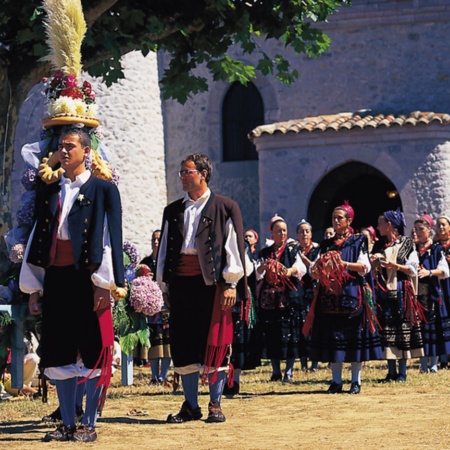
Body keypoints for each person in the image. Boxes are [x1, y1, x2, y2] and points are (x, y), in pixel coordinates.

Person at [20, 126, 125, 442]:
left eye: (70, 146)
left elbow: (111, 238)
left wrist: (105, 283)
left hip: (89, 279)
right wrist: (34, 287)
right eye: (61, 147)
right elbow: (37, 239)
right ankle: (67, 423)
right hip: (57, 278)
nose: (64, 152)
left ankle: (88, 426)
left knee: (91, 350)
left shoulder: (103, 190)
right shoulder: (49, 191)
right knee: (59, 351)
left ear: (85, 151)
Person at [156, 153, 247, 423]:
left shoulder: (225, 207)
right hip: (181, 285)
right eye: (181, 173)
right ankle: (190, 405)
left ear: (203, 174)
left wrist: (231, 283)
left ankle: (215, 403)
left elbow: (234, 248)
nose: (183, 177)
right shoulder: (172, 211)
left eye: (187, 172)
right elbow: (164, 252)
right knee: (183, 343)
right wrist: (163, 286)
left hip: (213, 286)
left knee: (215, 341)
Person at [306, 202, 382, 394]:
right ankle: (336, 381)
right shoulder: (325, 245)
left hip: (351, 295)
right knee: (334, 340)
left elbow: (364, 267)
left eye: (340, 217)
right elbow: (313, 270)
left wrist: (342, 263)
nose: (336, 220)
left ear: (349, 221)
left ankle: (355, 381)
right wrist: (316, 269)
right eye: (334, 217)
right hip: (329, 298)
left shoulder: (358, 241)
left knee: (353, 340)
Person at [372, 208, 423, 383]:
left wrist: (395, 265)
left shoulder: (407, 243)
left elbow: (413, 268)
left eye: (380, 224)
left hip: (401, 290)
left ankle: (402, 372)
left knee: (402, 330)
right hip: (384, 292)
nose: (378, 227)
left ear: (389, 225)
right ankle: (391, 371)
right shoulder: (379, 245)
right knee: (387, 331)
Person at [256, 214, 307, 382]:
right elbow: (256, 274)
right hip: (270, 302)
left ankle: (289, 372)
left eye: (284, 230)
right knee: (272, 335)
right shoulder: (265, 253)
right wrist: (264, 267)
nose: (283, 234)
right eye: (279, 231)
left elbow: (300, 268)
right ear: (272, 232)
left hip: (289, 300)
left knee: (290, 335)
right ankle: (276, 371)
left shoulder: (292, 249)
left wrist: (289, 271)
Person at [413, 214, 450, 373]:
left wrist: (428, 272)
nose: (418, 232)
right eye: (416, 229)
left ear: (429, 230)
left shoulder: (436, 249)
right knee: (420, 329)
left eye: (421, 229)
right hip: (417, 294)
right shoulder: (413, 249)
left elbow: (444, 271)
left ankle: (434, 364)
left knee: (434, 328)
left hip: (433, 294)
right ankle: (423, 364)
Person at [141, 230, 172, 386]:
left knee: (167, 342)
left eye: (159, 239)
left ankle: (164, 375)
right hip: (151, 309)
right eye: (153, 238)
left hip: (166, 307)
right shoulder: (145, 262)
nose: (155, 242)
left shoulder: (168, 260)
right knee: (153, 342)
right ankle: (154, 376)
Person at [296, 219, 320, 372]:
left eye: (307, 231)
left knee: (314, 327)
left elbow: (318, 270)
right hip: (298, 294)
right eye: (301, 231)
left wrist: (306, 262)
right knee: (300, 326)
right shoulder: (293, 251)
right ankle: (303, 363)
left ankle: (315, 363)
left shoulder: (316, 251)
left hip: (314, 293)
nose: (304, 234)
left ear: (311, 234)